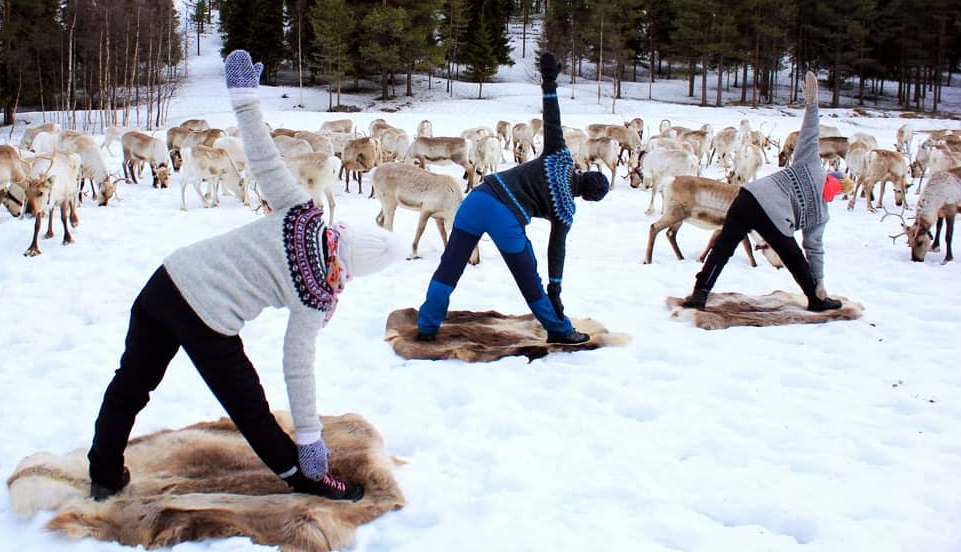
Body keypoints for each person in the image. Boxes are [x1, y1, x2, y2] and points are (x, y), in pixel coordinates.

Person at [87, 49, 404, 503]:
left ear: (345, 232)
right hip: (208, 317)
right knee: (250, 409)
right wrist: (310, 439)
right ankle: (306, 477)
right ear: (355, 270)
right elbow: (298, 369)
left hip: (167, 279)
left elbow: (263, 156)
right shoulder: (315, 295)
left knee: (132, 382)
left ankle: (103, 474)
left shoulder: (301, 211)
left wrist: (245, 100)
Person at [415, 51, 610, 344]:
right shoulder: (566, 211)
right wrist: (555, 289)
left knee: (450, 265)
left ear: (585, 172)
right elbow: (556, 251)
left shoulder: (559, 157)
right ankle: (559, 330)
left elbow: (552, 118)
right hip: (506, 216)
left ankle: (427, 325)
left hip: (479, 197)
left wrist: (549, 80)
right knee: (528, 278)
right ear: (589, 198)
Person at [681, 70, 849, 312]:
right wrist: (820, 282)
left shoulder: (810, 165)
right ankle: (815, 299)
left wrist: (812, 106)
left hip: (748, 197)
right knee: (794, 258)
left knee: (723, 248)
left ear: (829, 176)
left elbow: (810, 135)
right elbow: (814, 249)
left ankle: (699, 294)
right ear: (836, 193)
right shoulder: (821, 214)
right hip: (774, 216)